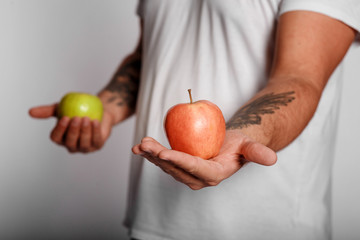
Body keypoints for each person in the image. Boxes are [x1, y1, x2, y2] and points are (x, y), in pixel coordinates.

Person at [29, 0, 360, 239]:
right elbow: (151, 55)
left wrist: (237, 139)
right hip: (153, 220)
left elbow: (300, 77)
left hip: (265, 226)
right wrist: (104, 110)